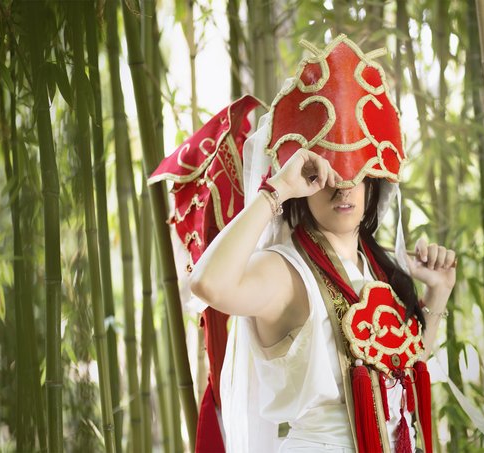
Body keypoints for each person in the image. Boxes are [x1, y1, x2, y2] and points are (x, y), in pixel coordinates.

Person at [189, 35, 456, 452]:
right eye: (326, 175)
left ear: (373, 183)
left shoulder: (378, 268)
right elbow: (209, 285)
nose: (343, 188)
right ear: (304, 182)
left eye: (356, 175)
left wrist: (438, 292)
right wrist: (276, 191)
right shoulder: (285, 271)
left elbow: (405, 371)